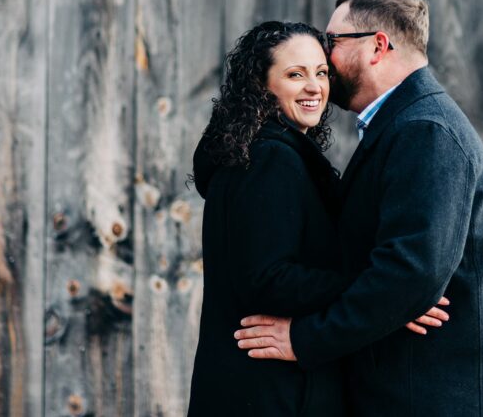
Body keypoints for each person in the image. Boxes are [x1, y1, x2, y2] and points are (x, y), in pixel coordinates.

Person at [235, 0, 483, 416]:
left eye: (332, 42)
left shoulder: (426, 130)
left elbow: (411, 272)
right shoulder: (400, 124)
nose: (324, 55)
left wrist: (304, 339)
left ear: (377, 46)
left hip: (438, 400)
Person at [187, 21, 448, 417]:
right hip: (269, 392)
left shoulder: (265, 152)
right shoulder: (268, 159)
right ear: (262, 85)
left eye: (321, 72)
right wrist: (386, 293)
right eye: (295, 75)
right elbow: (268, 277)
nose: (314, 87)